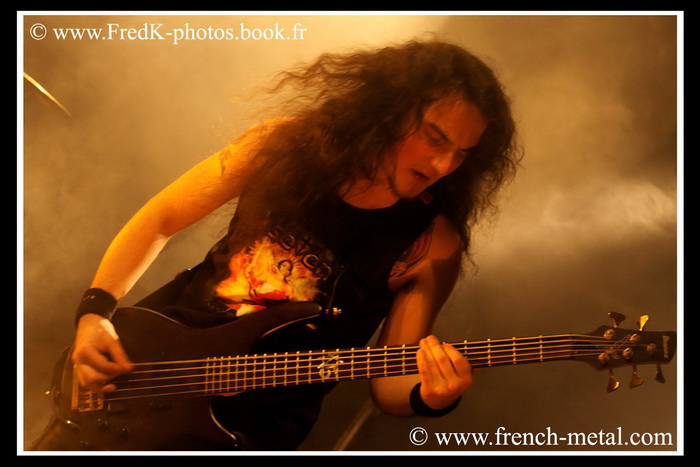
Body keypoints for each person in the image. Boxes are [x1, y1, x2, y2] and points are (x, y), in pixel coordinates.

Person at [30, 38, 521, 451]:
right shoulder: (283, 147)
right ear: (390, 110)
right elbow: (162, 217)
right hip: (143, 373)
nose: (442, 165)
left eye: (461, 153)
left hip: (246, 434)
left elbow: (390, 381)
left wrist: (432, 396)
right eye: (435, 138)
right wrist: (95, 313)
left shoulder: (431, 241)